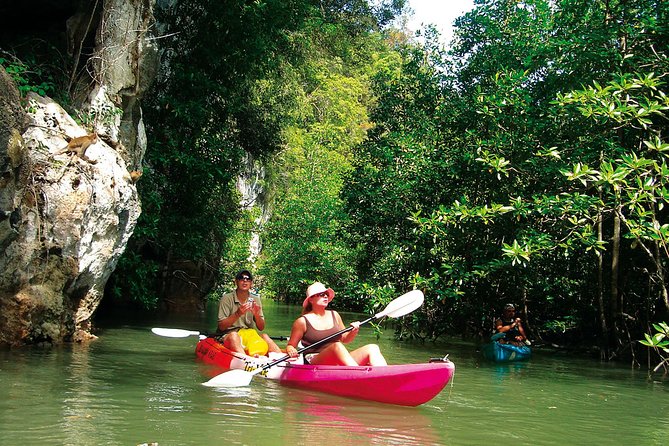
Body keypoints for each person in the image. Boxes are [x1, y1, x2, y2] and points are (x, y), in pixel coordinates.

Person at [285, 281, 387, 366]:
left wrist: (354, 331)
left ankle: (384, 375)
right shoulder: (302, 321)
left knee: (372, 348)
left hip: (337, 357)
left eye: (326, 294)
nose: (325, 296)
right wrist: (291, 350)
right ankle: (358, 374)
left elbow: (345, 339)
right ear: (311, 299)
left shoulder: (335, 315)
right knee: (336, 346)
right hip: (314, 361)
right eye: (321, 294)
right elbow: (291, 345)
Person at [217, 269, 281, 356]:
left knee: (265, 336)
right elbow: (221, 327)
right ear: (236, 282)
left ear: (251, 283)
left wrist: (256, 314)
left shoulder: (256, 299)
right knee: (234, 336)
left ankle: (282, 359)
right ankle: (246, 361)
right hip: (229, 335)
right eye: (241, 278)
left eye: (248, 279)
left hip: (248, 334)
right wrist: (238, 314)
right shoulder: (227, 298)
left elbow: (261, 327)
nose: (245, 281)